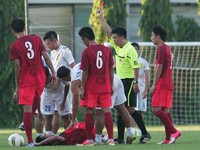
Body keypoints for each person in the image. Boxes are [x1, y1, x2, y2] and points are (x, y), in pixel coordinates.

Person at [98, 9, 151, 144]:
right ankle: (121, 138)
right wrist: (101, 18)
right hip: (120, 81)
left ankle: (144, 133)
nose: (113, 39)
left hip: (128, 81)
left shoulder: (130, 49)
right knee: (119, 109)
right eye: (113, 37)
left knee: (128, 109)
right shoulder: (118, 47)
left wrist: (135, 83)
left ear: (122, 37)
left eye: (115, 37)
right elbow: (108, 30)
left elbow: (136, 67)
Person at [58, 64, 136, 144]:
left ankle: (99, 139)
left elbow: (75, 103)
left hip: (104, 84)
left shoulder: (74, 81)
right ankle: (130, 132)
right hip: (115, 79)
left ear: (64, 78)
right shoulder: (77, 66)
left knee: (100, 113)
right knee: (121, 108)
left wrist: (73, 119)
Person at [9, 18, 56, 147]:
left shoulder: (14, 46)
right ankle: (38, 114)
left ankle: (30, 142)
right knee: (35, 103)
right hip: (40, 79)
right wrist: (53, 72)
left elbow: (18, 67)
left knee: (27, 112)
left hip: (27, 81)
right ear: (24, 27)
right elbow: (46, 56)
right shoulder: (36, 39)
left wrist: (18, 87)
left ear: (13, 30)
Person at [78, 27, 114, 146]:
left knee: (89, 111)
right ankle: (111, 140)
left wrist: (82, 88)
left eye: (83, 40)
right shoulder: (107, 50)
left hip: (92, 87)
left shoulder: (87, 52)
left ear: (86, 39)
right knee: (106, 111)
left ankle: (89, 140)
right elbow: (111, 69)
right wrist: (111, 85)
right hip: (105, 86)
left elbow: (85, 72)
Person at [150, 26, 181, 144]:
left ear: (158, 36)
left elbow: (159, 67)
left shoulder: (161, 48)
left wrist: (153, 84)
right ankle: (168, 139)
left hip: (162, 83)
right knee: (166, 111)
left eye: (152, 35)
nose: (151, 38)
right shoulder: (168, 48)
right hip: (169, 83)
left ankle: (174, 131)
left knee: (155, 109)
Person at [43, 30, 76, 133]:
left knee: (66, 114)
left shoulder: (65, 51)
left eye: (49, 43)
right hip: (53, 85)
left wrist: (75, 82)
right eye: (46, 44)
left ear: (55, 41)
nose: (48, 46)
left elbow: (73, 66)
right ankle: (52, 135)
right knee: (56, 113)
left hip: (65, 84)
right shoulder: (52, 52)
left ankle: (73, 133)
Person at [131, 42, 150, 136]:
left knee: (140, 110)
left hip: (141, 89)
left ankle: (139, 129)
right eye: (133, 49)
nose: (134, 51)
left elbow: (147, 77)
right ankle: (132, 129)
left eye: (136, 49)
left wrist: (146, 89)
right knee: (131, 109)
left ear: (138, 50)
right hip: (132, 89)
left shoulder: (143, 62)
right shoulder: (128, 62)